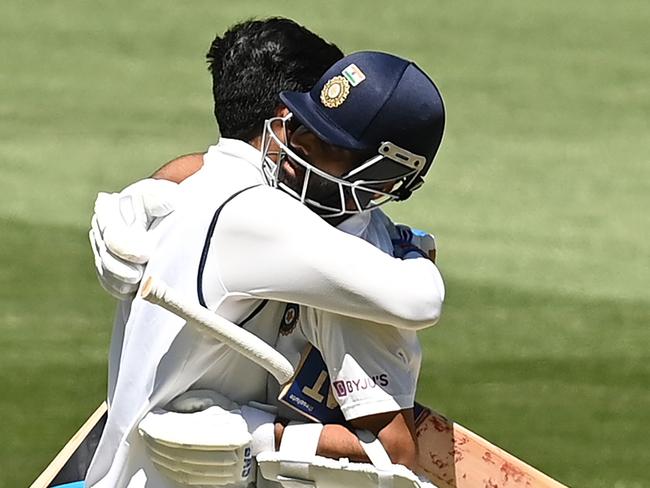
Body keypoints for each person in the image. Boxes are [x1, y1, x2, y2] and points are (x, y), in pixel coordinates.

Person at [86, 19, 445, 488]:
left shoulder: (192, 183)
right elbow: (420, 302)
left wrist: (128, 195)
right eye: (308, 123)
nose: (302, 144)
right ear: (284, 114)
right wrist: (411, 251)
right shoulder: (267, 215)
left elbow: (200, 166)